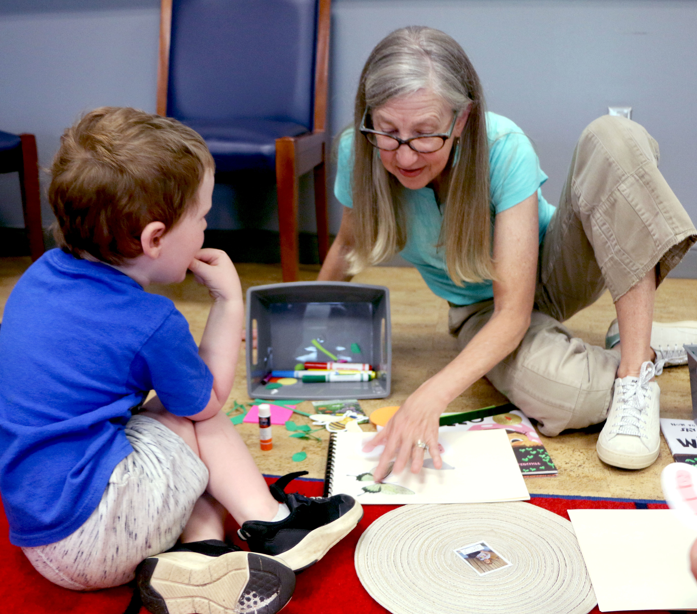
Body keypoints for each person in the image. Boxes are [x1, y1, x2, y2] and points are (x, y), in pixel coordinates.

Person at [0, 107, 362, 613]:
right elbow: (205, 402)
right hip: (100, 534)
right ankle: (274, 524)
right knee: (181, 413)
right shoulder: (151, 320)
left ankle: (200, 555)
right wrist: (229, 303)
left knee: (158, 430)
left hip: (39, 534)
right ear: (153, 239)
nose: (206, 228)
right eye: (203, 217)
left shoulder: (34, 278)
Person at [318, 26, 697, 481]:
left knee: (614, 135)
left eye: (424, 134)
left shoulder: (503, 146)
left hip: (557, 268)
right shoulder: (357, 154)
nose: (405, 155)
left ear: (460, 121)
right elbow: (349, 243)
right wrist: (304, 322)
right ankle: (640, 339)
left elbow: (516, 312)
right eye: (388, 131)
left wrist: (429, 396)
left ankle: (634, 370)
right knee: (571, 397)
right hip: (481, 307)